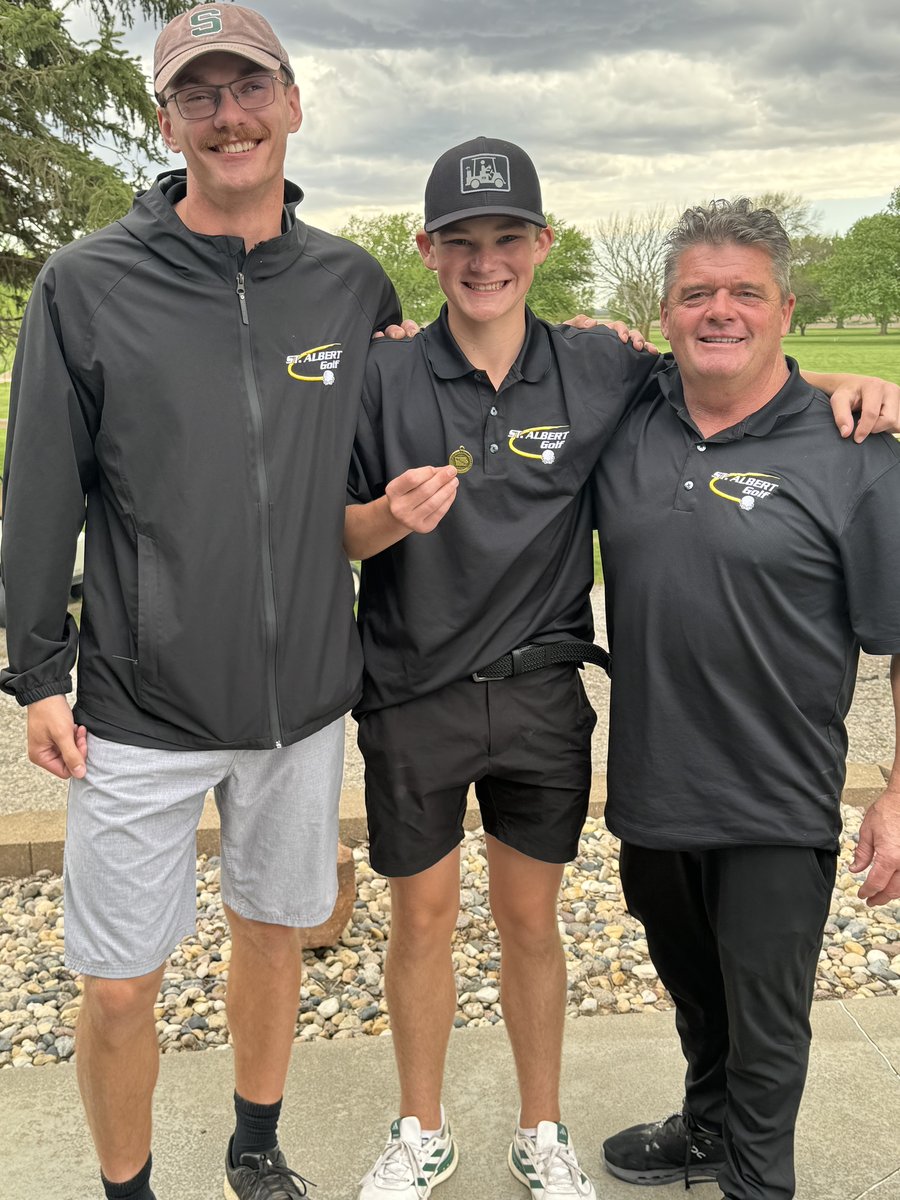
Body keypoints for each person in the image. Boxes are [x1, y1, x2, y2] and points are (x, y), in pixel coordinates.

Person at [342, 139, 899, 1200]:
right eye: (463, 239)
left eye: (508, 237)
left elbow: (736, 370)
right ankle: (489, 1129)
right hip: (514, 731)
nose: (487, 258)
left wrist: (854, 383)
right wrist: (379, 520)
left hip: (661, 739)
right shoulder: (434, 376)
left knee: (639, 965)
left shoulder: (635, 380)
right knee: (499, 937)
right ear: (428, 249)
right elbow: (327, 532)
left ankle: (664, 1160)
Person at [0, 5, 401, 1199]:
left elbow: (454, 375)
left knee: (273, 933)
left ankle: (256, 1143)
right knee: (120, 981)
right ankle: (129, 1187)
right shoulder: (87, 284)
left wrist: (805, 381)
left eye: (250, 87)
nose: (229, 115)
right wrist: (36, 673)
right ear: (166, 120)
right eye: (199, 95)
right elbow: (38, 492)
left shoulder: (347, 281)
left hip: (303, 702)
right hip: (139, 702)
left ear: (292, 101)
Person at [593, 199, 900, 1200]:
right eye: (697, 293)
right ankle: (708, 1124)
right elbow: (505, 356)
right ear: (666, 310)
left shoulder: (855, 449)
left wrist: (897, 790)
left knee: (768, 1026)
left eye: (744, 293)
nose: (719, 310)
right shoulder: (631, 416)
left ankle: (757, 1181)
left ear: (783, 308)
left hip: (775, 799)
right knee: (695, 996)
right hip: (653, 792)